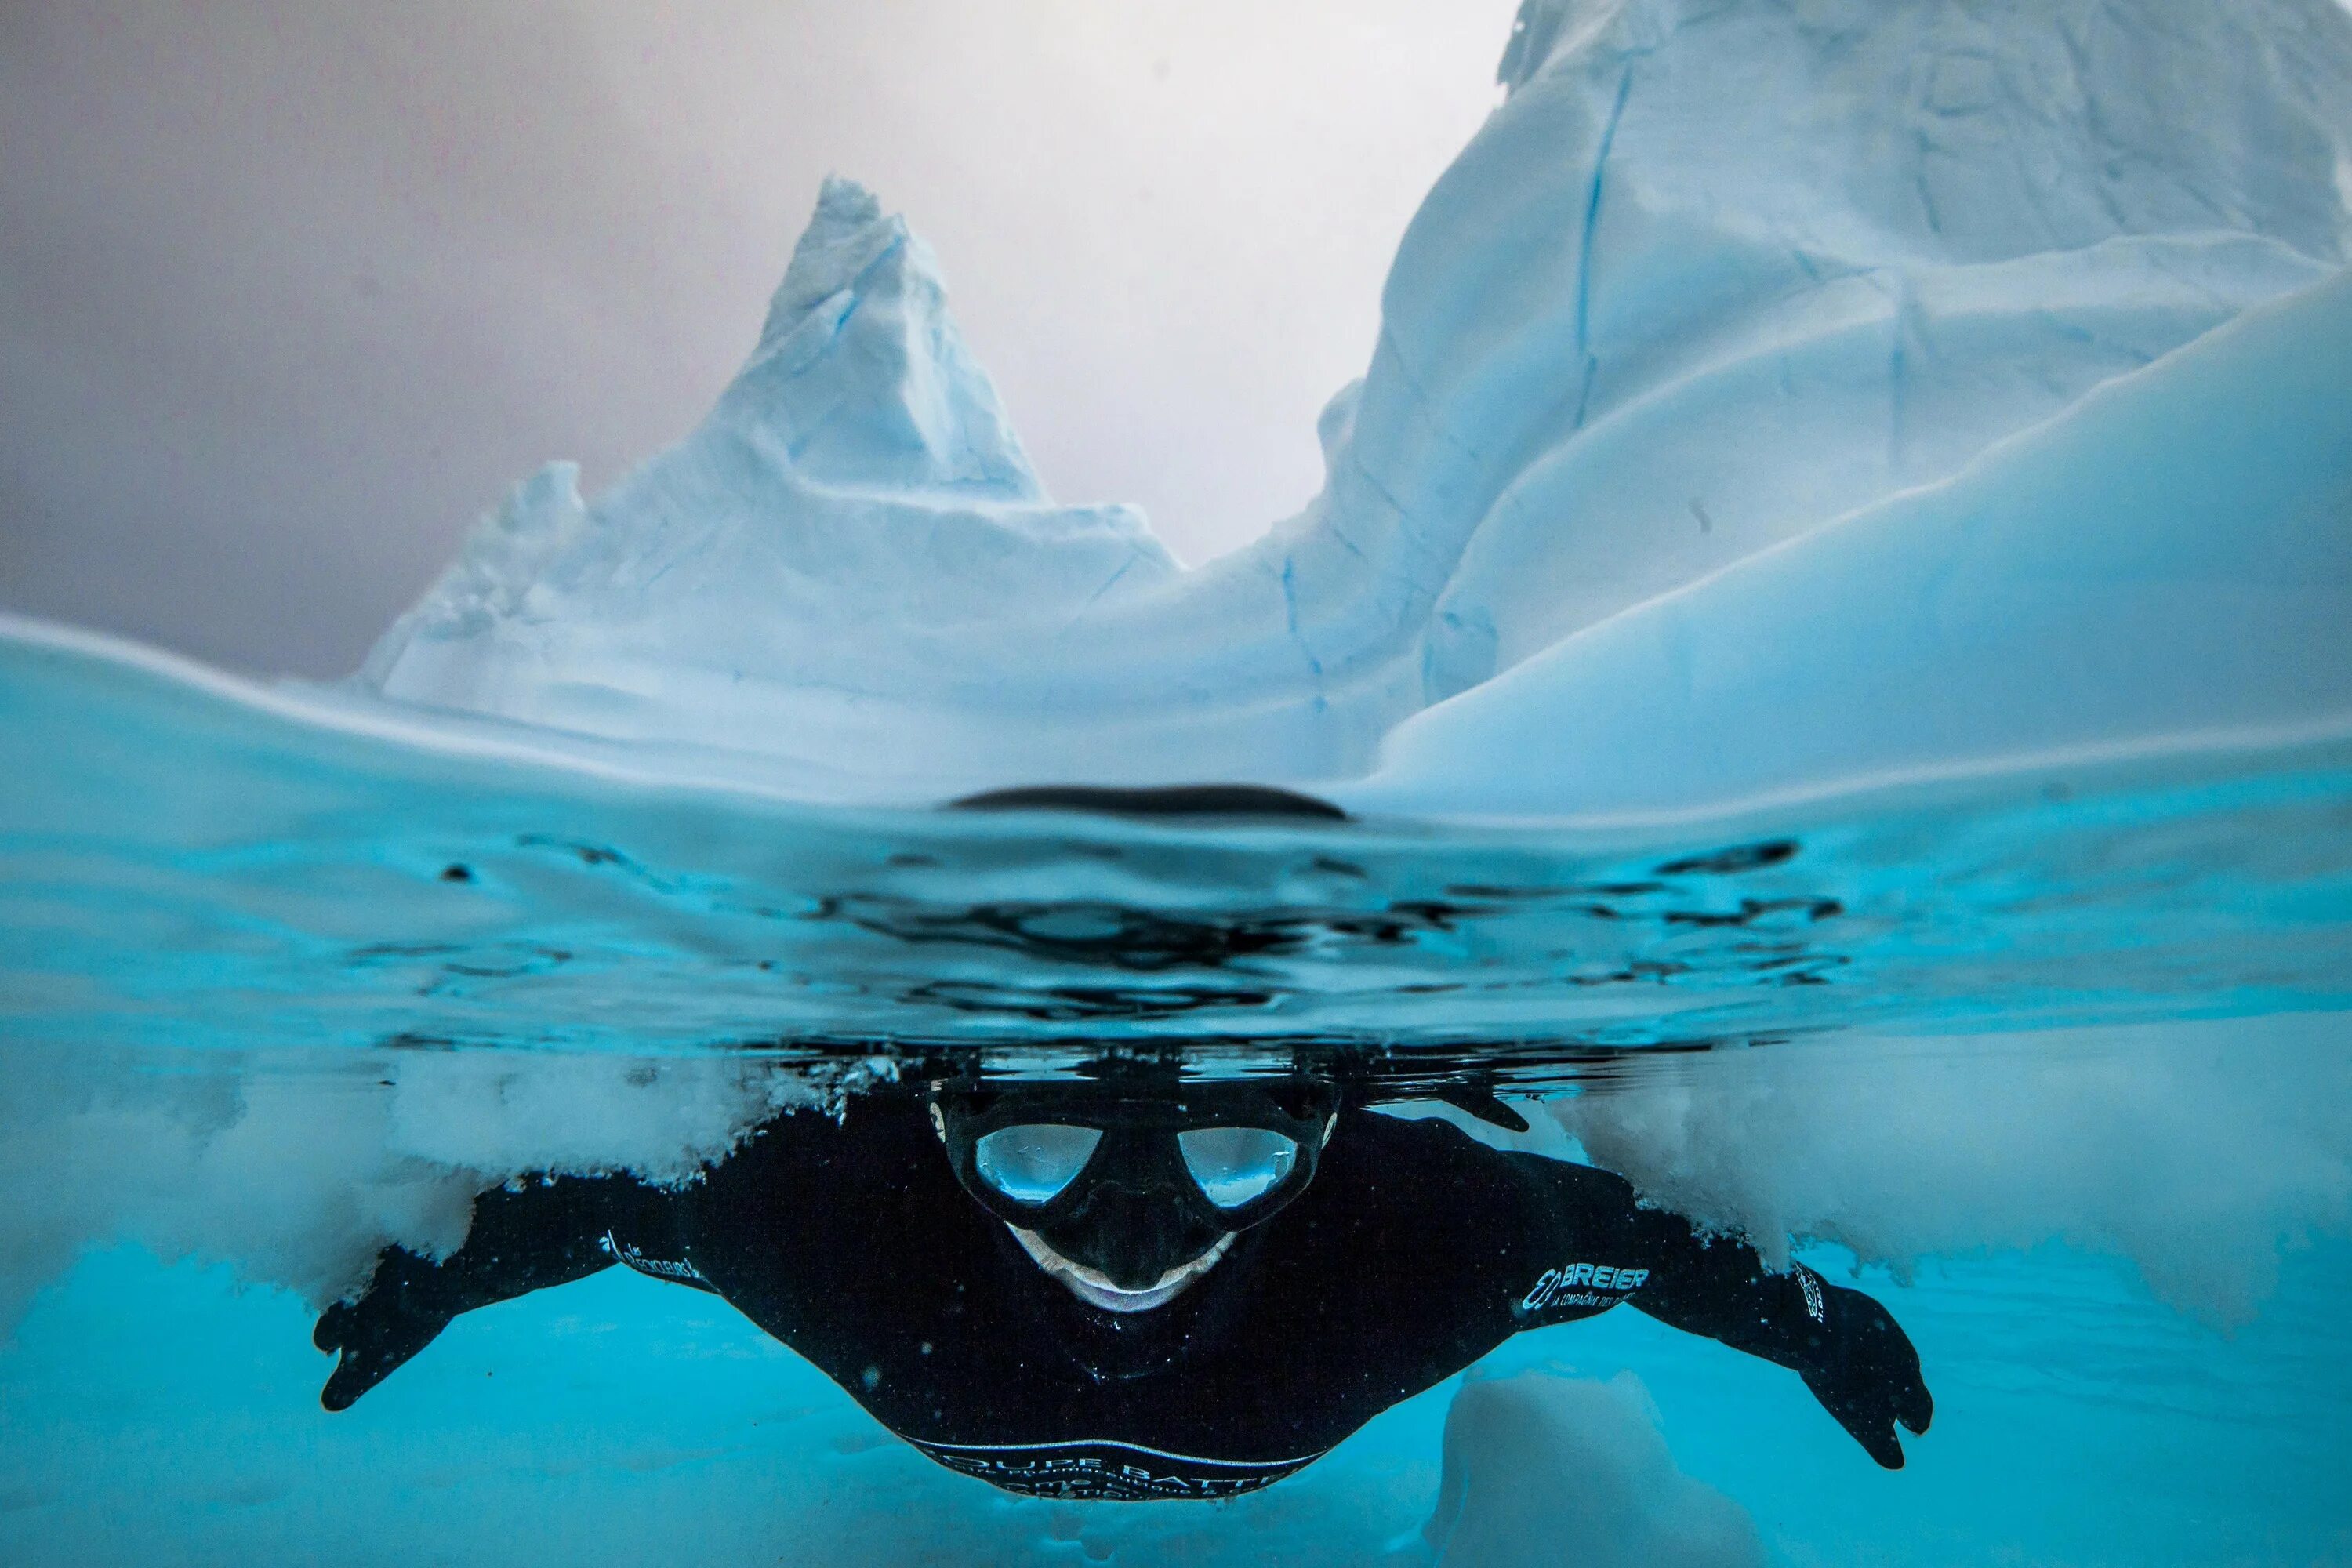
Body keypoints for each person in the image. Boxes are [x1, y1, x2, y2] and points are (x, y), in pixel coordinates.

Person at [315, 1063, 1931, 1501]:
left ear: (1315, 1142)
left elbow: (615, 1212)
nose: (1130, 1232)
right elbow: (1634, 1258)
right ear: (949, 1132)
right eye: (1041, 1148)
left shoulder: (1419, 1238)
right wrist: (1811, 1325)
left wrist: (455, 1268)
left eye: (1229, 1148)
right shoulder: (829, 1224)